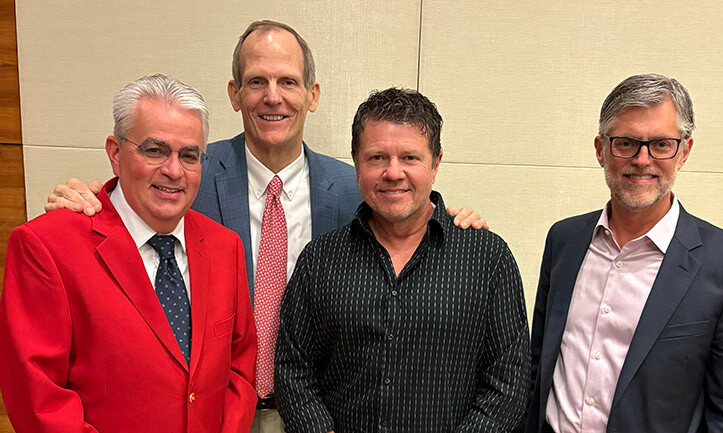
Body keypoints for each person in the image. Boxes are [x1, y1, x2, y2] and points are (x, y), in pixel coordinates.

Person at [43, 20, 487, 433]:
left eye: (288, 82)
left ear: (312, 95)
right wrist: (87, 198)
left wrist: (453, 222)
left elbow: (406, 216)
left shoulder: (357, 187)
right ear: (235, 94)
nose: (272, 97)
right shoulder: (186, 174)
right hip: (211, 412)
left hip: (318, 414)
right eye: (257, 81)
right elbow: (127, 206)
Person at [0, 74, 257, 433]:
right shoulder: (47, 247)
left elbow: (239, 366)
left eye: (188, 155)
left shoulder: (224, 246)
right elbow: (38, 398)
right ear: (116, 154)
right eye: (154, 150)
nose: (173, 170)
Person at [274, 87, 530, 433]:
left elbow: (508, 380)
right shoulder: (320, 260)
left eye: (410, 158)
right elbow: (293, 367)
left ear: (436, 163)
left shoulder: (487, 259)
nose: (393, 173)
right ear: (356, 162)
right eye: (377, 157)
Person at [524, 73, 723, 433]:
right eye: (626, 142)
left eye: (661, 144)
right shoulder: (565, 240)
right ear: (600, 150)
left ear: (683, 151)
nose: (642, 159)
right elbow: (538, 366)